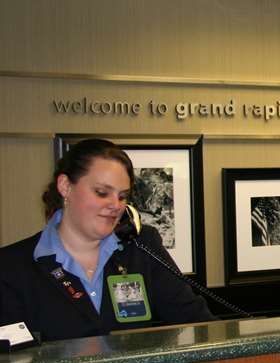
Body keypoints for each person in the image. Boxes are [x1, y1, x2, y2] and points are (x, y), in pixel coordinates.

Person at [0, 138, 215, 342]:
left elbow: (198, 324)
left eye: (122, 196)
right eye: (102, 193)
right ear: (65, 186)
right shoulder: (12, 267)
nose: (116, 205)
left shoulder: (141, 248)